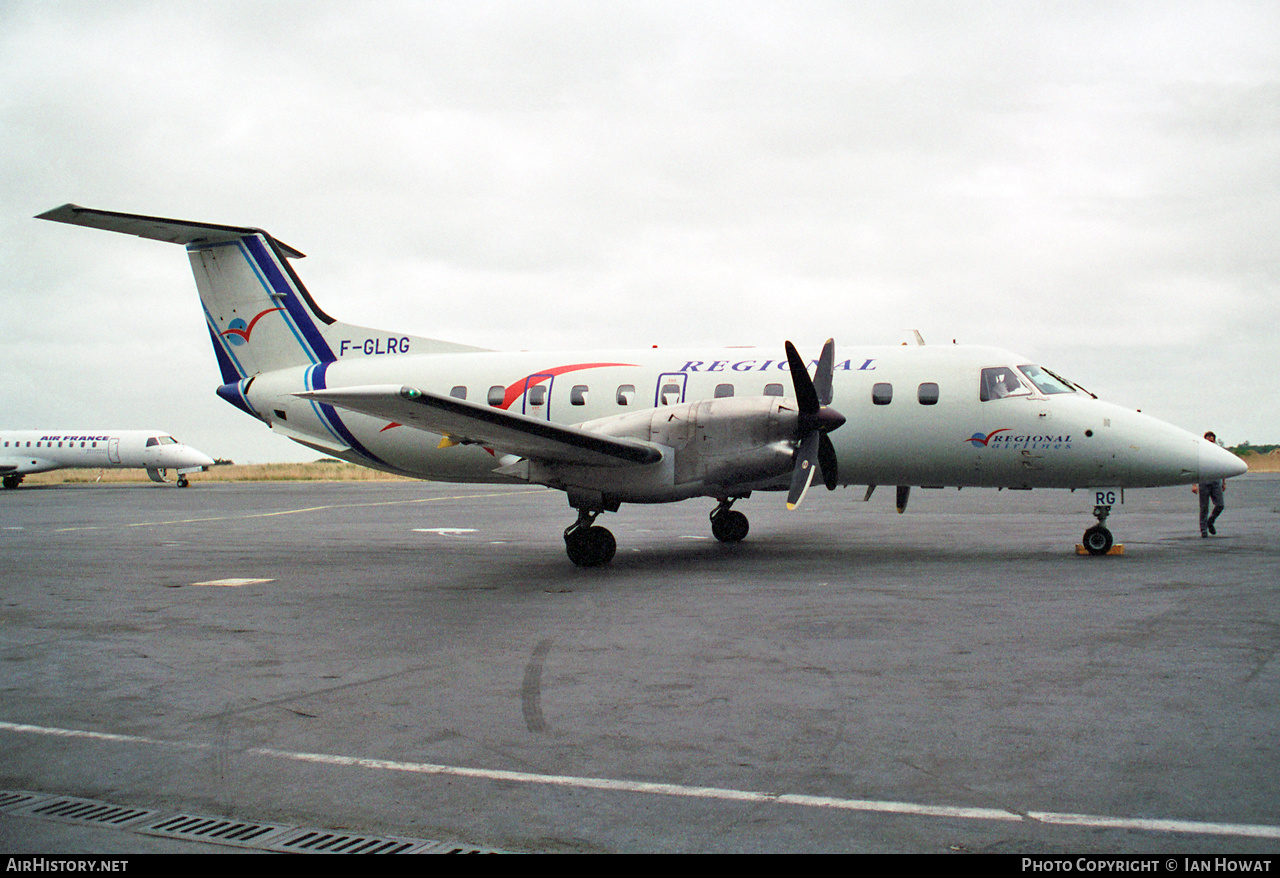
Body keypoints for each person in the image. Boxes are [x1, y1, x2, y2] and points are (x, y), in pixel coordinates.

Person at [1194, 431, 1226, 537]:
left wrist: (1224, 482)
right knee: (1204, 507)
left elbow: (1223, 467)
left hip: (1216, 481)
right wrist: (1194, 484)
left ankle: (1210, 521)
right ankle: (1203, 530)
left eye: (1212, 438)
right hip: (1204, 482)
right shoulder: (1200, 452)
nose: (1210, 439)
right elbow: (1195, 467)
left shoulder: (1218, 451)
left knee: (1220, 505)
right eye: (1208, 437)